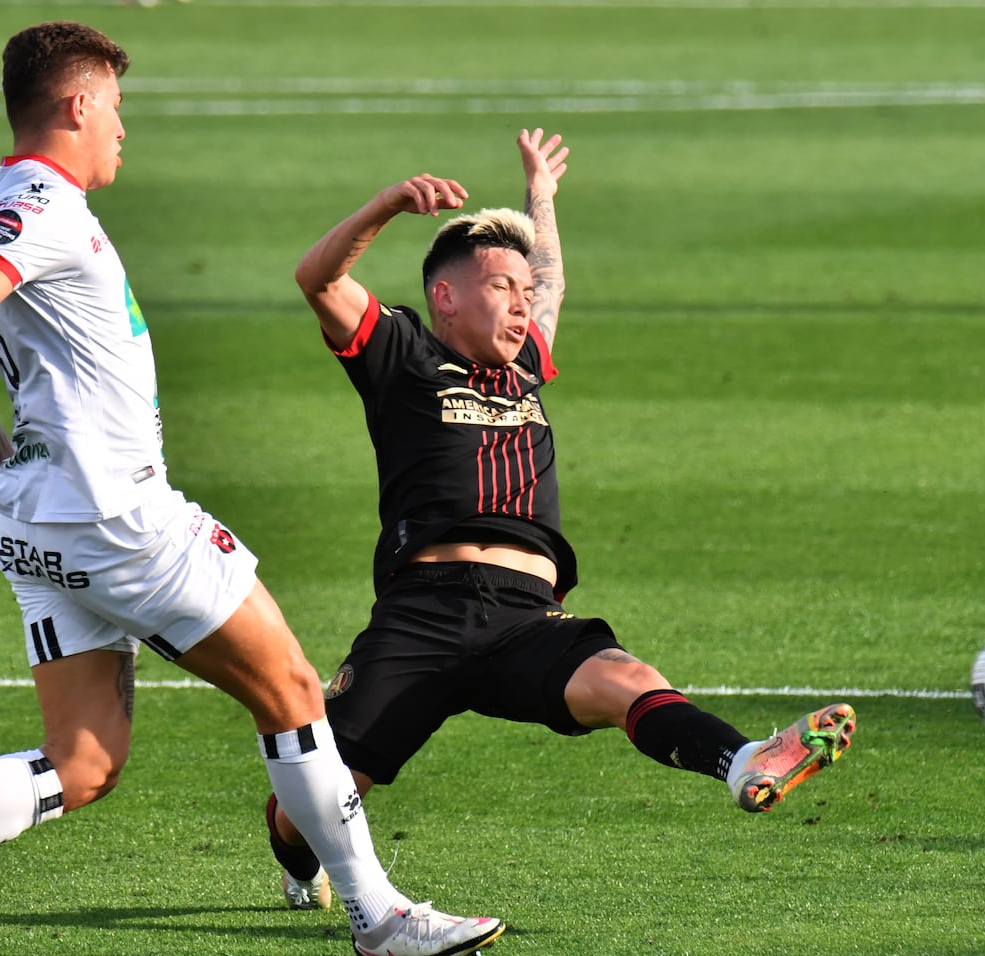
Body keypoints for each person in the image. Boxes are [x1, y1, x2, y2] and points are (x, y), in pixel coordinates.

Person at [0, 21, 503, 956]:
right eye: (117, 108)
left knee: (83, 764)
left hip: (40, 522)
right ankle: (377, 915)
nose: (124, 128)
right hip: (118, 517)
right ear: (78, 106)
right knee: (291, 692)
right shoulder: (36, 206)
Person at [267, 128, 858, 909]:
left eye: (521, 290)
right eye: (500, 286)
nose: (520, 302)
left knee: (627, 681)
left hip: (524, 619)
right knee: (306, 807)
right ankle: (300, 866)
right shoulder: (402, 351)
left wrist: (539, 198)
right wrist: (386, 205)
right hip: (422, 616)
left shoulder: (522, 366)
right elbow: (316, 278)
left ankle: (745, 759)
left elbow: (552, 285)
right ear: (445, 296)